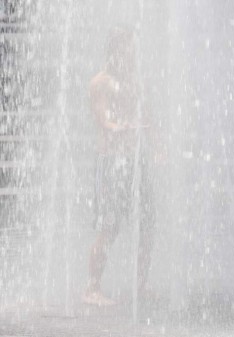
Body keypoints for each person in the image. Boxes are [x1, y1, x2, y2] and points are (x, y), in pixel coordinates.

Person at [82, 27, 157, 306]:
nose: (133, 53)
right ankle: (92, 288)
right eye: (128, 47)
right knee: (109, 226)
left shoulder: (135, 81)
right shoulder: (100, 82)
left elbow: (148, 115)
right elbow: (102, 120)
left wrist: (158, 147)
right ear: (114, 50)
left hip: (137, 160)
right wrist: (120, 127)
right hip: (112, 160)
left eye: (134, 47)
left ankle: (140, 285)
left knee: (148, 224)